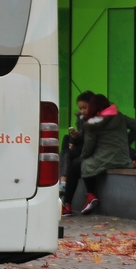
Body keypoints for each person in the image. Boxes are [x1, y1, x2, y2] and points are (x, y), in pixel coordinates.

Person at [78, 94, 136, 215]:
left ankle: (90, 195)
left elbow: (89, 147)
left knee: (85, 163)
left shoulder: (93, 123)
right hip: (123, 159)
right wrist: (126, 142)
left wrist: (83, 156)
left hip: (104, 159)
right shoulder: (120, 116)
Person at [60, 90, 95, 218]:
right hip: (82, 149)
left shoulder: (97, 120)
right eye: (80, 108)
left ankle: (64, 185)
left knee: (72, 160)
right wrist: (75, 137)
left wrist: (75, 144)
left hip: (90, 151)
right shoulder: (82, 119)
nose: (82, 111)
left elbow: (91, 141)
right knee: (66, 142)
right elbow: (83, 138)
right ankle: (66, 200)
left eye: (85, 108)